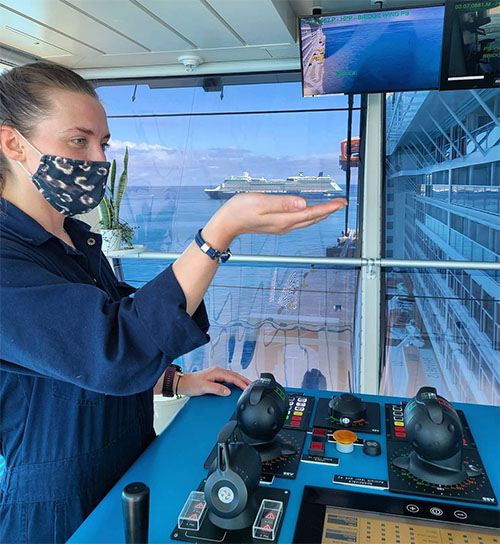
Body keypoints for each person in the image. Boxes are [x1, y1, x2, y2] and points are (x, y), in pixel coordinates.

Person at [0, 62, 347, 543]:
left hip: (133, 463)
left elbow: (103, 334)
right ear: (14, 144)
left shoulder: (76, 239)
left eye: (103, 144)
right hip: (58, 504)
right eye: (79, 141)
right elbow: (113, 348)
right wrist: (216, 235)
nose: (98, 160)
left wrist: (174, 379)